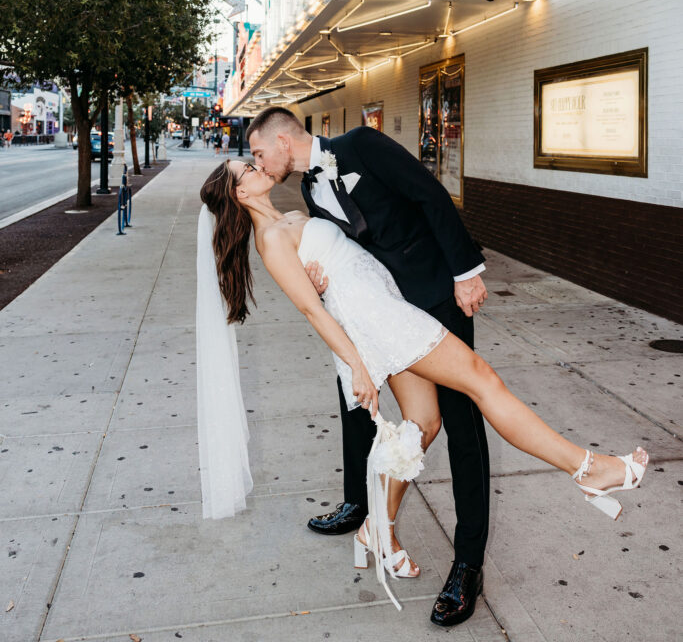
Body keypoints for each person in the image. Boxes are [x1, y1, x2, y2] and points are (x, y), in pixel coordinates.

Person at [196, 157, 648, 624]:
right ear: (239, 194)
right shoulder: (271, 240)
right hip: (379, 321)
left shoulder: (295, 216)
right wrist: (357, 366)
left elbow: (345, 252)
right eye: (245, 170)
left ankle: (376, 528)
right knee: (484, 381)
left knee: (423, 424)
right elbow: (314, 311)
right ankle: (588, 469)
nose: (256, 167)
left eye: (252, 161)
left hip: (383, 307)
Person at [247, 107, 490, 625]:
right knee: (358, 403)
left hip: (436, 295)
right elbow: (350, 247)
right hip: (384, 311)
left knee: (463, 426)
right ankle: (361, 507)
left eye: (259, 152)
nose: (259, 163)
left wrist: (466, 272)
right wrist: (317, 271)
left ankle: (468, 564)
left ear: (285, 140)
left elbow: (429, 194)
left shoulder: (363, 145)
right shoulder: (311, 192)